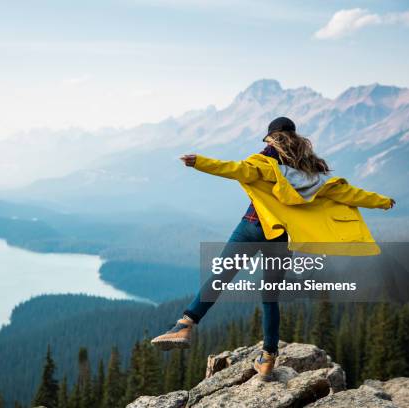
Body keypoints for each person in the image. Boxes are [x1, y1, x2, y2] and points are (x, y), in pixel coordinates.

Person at [151, 117, 395, 381]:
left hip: (253, 226)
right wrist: (381, 201)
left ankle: (185, 325)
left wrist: (199, 162)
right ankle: (267, 358)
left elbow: (235, 169)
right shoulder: (312, 172)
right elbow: (348, 193)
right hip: (281, 237)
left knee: (221, 276)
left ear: (271, 137)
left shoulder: (265, 162)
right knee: (270, 297)